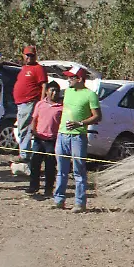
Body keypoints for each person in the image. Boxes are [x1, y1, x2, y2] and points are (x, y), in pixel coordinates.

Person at [54, 66, 101, 212]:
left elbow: (98, 116)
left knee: (78, 170)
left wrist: (80, 123)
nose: (68, 80)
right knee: (61, 169)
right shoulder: (67, 92)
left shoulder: (90, 95)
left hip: (78, 136)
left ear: (79, 79)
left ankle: (79, 203)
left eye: (71, 77)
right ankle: (59, 200)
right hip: (62, 134)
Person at [27, 81, 63, 199]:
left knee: (50, 166)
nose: (54, 93)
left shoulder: (61, 107)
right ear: (47, 91)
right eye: (52, 90)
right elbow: (34, 119)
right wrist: (33, 131)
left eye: (56, 91)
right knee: (35, 163)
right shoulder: (40, 104)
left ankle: (48, 189)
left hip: (52, 140)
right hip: (39, 138)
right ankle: (33, 186)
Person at [12, 45, 47, 161]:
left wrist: (41, 102)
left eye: (32, 55)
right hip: (21, 103)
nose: (29, 57)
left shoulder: (38, 68)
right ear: (23, 55)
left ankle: (24, 154)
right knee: (22, 128)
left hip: (29, 102)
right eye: (27, 55)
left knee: (25, 128)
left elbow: (43, 85)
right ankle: (24, 152)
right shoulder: (24, 68)